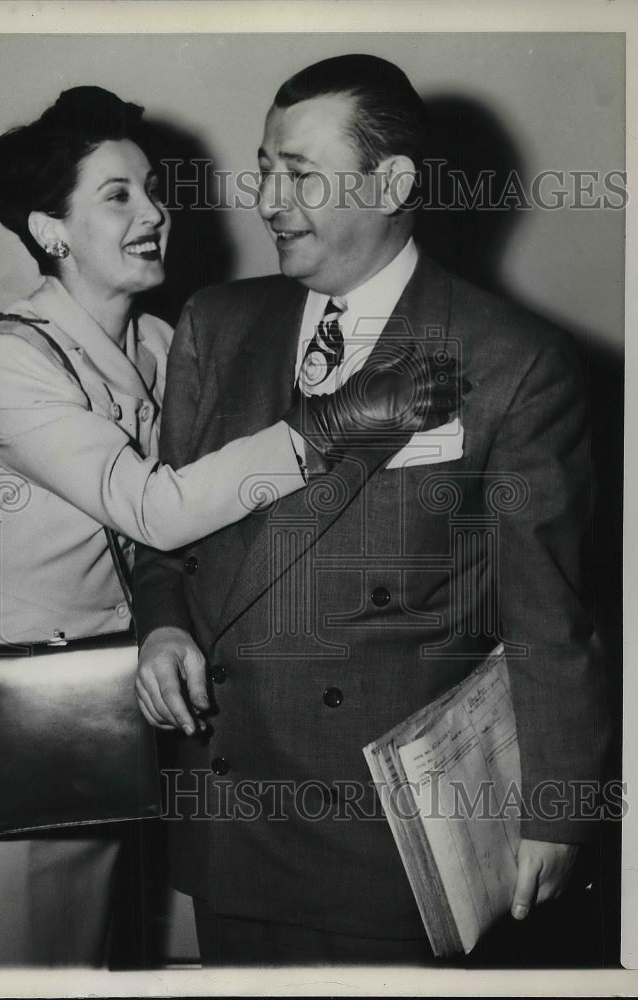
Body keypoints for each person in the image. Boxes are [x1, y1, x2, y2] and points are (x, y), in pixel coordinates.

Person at [0, 84, 459, 967]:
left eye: (152, 189)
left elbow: (216, 524)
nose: (154, 213)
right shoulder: (5, 359)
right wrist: (332, 420)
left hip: (108, 721)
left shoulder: (162, 342)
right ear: (50, 231)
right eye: (117, 195)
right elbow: (155, 508)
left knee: (83, 970)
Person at [134, 55, 604, 964]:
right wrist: (160, 626)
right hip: (229, 815)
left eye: (300, 173)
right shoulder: (216, 323)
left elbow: (549, 615)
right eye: (264, 166)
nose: (268, 199)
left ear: (391, 183)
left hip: (387, 838)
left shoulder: (513, 361)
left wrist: (557, 810)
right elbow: (164, 536)